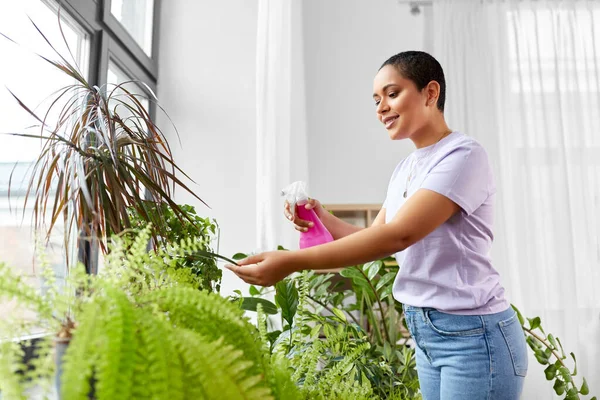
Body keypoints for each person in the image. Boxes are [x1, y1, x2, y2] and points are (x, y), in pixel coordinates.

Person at [226, 51, 528, 399]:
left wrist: (291, 263)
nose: (380, 108)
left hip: (474, 338)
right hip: (428, 333)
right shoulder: (406, 169)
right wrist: (320, 216)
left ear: (431, 93)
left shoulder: (463, 157)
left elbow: (398, 236)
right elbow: (372, 238)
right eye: (375, 100)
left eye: (392, 93)